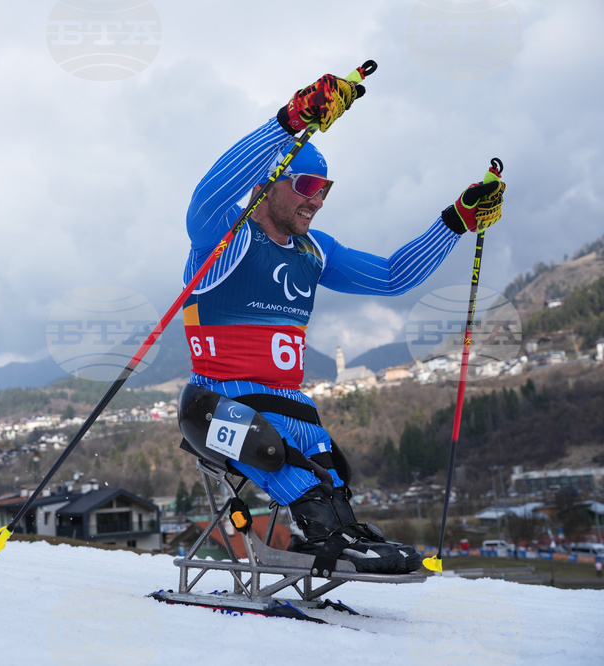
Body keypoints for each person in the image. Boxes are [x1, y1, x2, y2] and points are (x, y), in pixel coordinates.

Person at [178, 68, 505, 575]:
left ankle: (339, 534)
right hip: (216, 404)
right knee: (278, 454)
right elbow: (206, 198)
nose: (317, 200)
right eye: (306, 185)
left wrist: (456, 222)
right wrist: (288, 122)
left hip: (288, 402)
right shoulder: (229, 237)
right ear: (268, 182)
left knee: (332, 470)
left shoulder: (314, 250)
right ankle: (326, 538)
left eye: (325, 189)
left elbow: (392, 277)